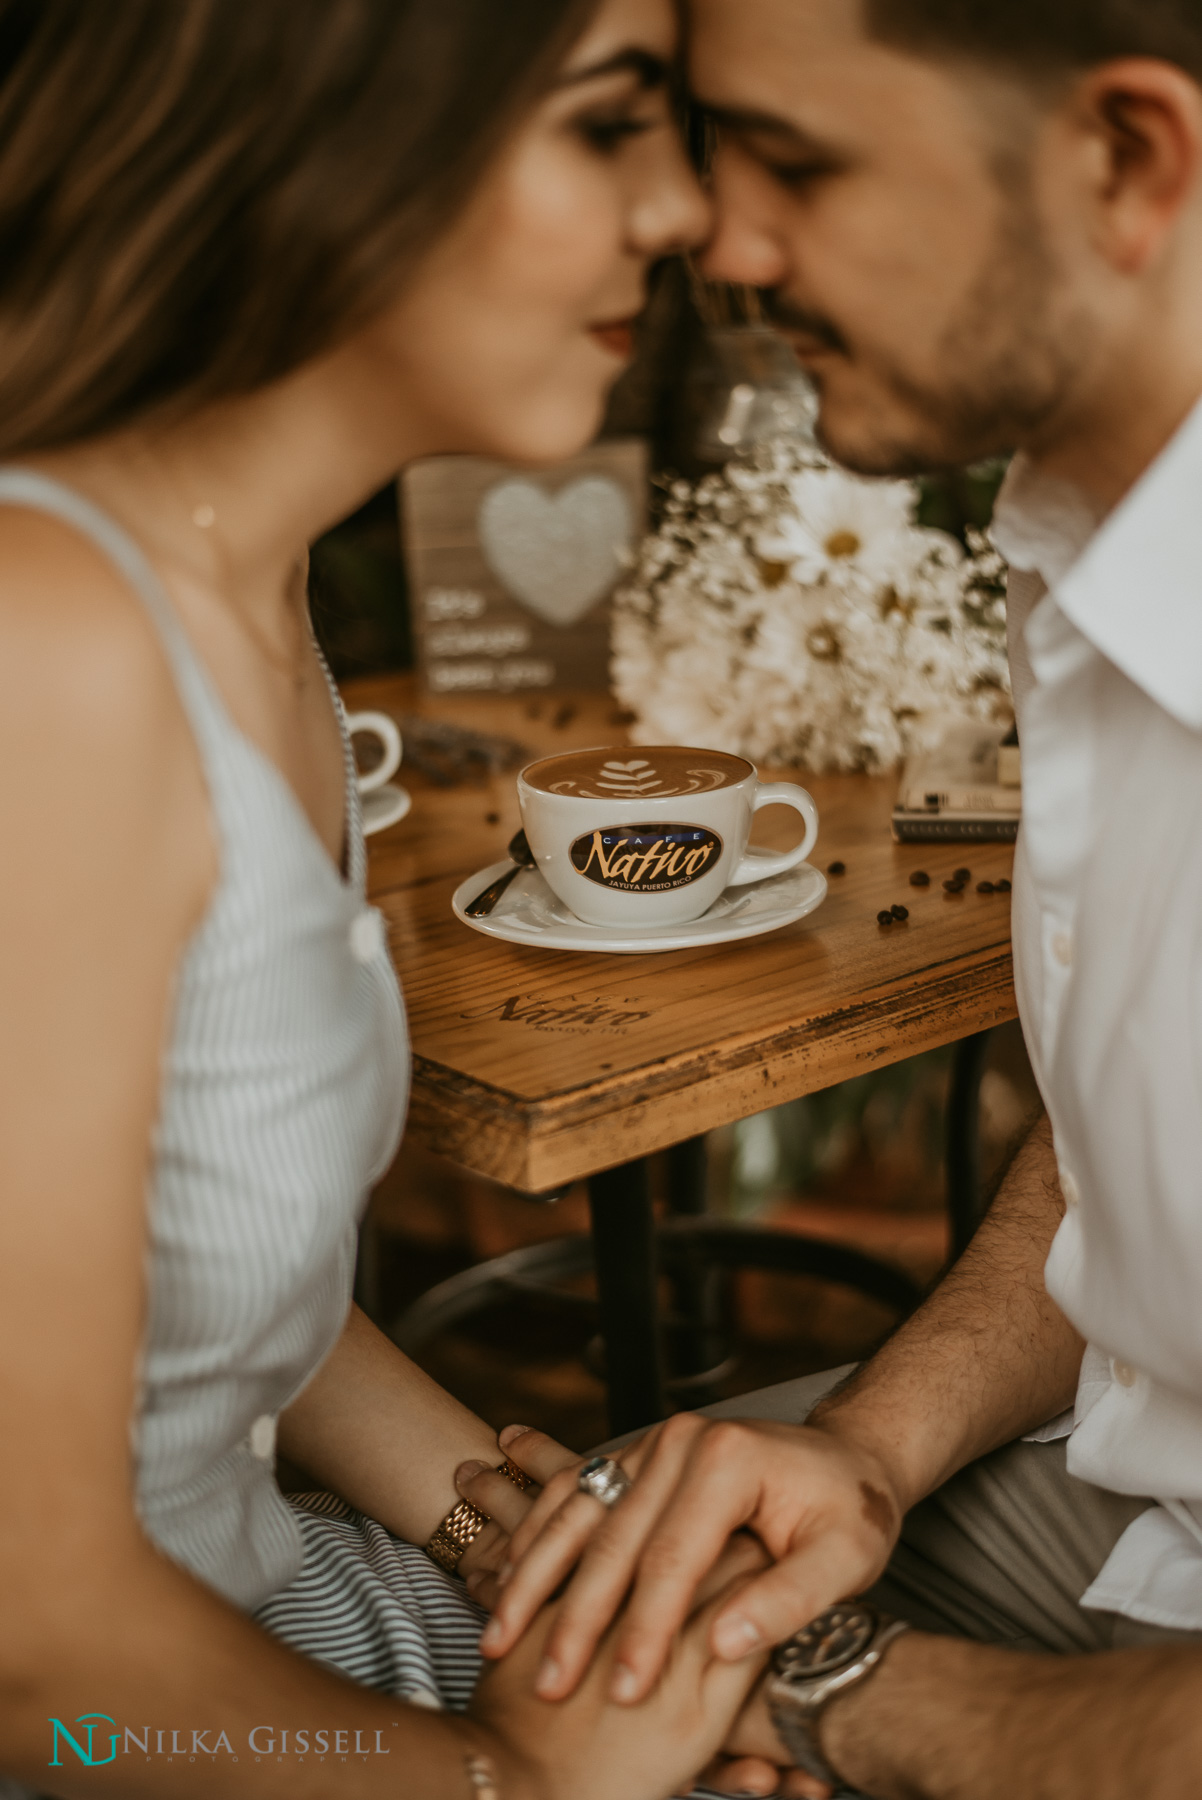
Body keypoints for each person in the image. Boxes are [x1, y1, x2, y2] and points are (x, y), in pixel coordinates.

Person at [0, 3, 772, 1797]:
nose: (683, 213)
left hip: (251, 1626)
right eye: (606, 125)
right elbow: (38, 1655)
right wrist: (517, 1784)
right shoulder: (50, 651)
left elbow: (181, 1260)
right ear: (335, 127)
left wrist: (520, 1550)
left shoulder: (249, 610)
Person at [470, 1, 1202, 1794]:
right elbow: (1141, 1144)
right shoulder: (1082, 549)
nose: (710, 242)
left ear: (1124, 161)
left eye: (796, 161)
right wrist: (872, 1446)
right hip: (1128, 1491)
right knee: (589, 1579)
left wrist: (828, 1693)